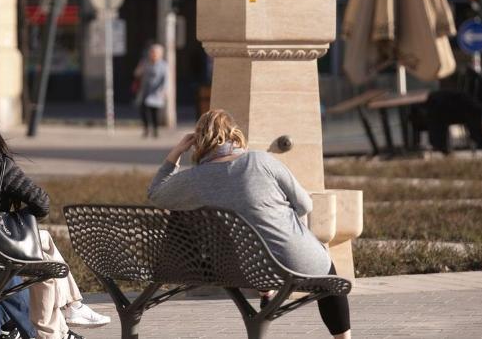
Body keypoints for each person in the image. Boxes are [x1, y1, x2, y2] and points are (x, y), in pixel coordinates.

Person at [146, 109, 352, 339]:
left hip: (238, 271)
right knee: (329, 278)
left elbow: (155, 193)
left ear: (198, 143)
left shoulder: (194, 179)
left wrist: (176, 152)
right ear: (235, 135)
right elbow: (305, 204)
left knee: (251, 248)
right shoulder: (260, 160)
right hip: (297, 261)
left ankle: (266, 288)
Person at [0, 114, 109, 339]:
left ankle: (64, 317)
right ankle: (65, 317)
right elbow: (42, 203)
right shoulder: (1, 166)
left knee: (44, 250)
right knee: (46, 263)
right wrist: (19, 218)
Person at [133, 44, 167, 138]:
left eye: (155, 53)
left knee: (154, 112)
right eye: (151, 52)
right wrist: (139, 69)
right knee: (143, 110)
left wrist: (163, 90)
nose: (152, 54)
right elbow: (136, 74)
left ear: (160, 54)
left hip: (156, 92)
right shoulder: (145, 63)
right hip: (145, 91)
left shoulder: (163, 65)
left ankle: (155, 130)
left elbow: (165, 79)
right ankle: (146, 129)